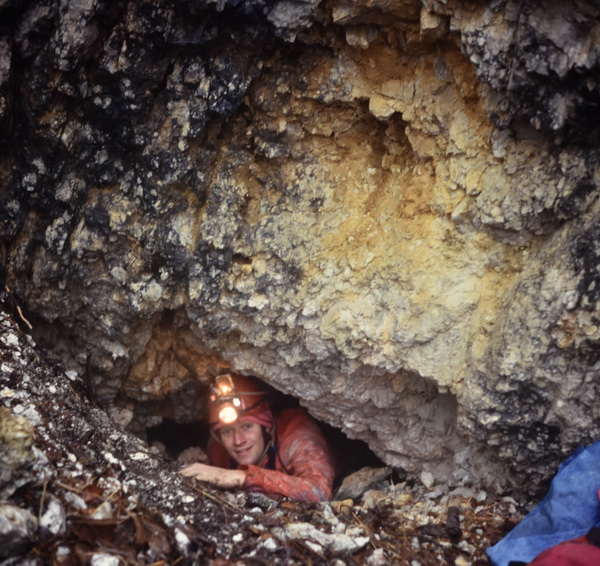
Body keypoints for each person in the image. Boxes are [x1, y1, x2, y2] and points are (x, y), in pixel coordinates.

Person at [178, 373, 337, 503]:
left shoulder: (297, 435)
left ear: (266, 426)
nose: (238, 440)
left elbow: (318, 491)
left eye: (247, 426)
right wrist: (204, 460)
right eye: (227, 431)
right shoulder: (221, 446)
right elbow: (216, 461)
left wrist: (242, 477)